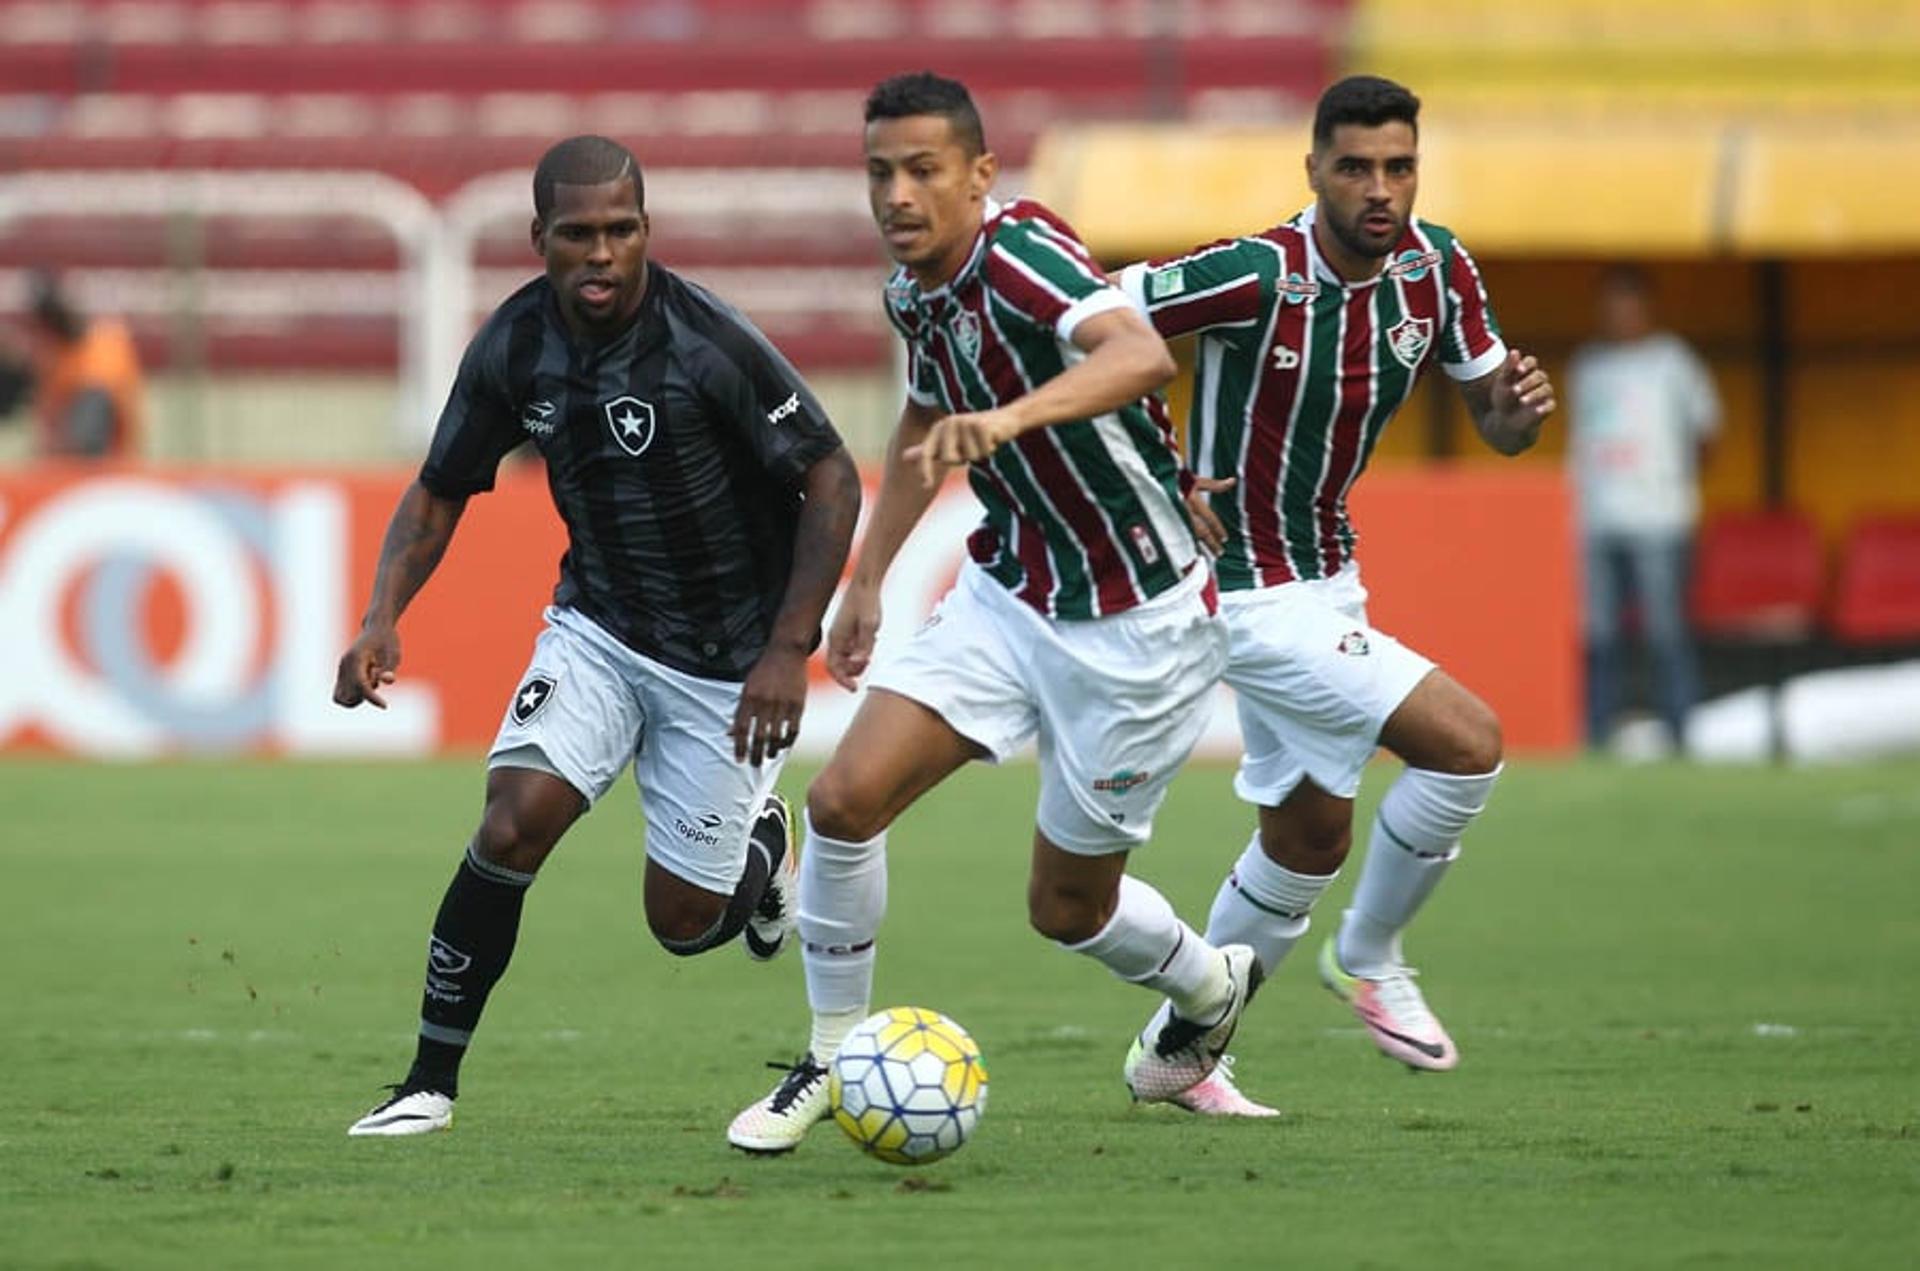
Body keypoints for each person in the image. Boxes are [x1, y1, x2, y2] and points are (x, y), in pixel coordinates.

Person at [724, 72, 1255, 1154]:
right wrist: (869, 574)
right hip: (1011, 589)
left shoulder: (1024, 257)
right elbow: (926, 407)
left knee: (1066, 906)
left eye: (923, 171)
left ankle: (1210, 986)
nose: (898, 196)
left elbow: (1141, 353)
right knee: (840, 799)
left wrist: (1008, 419)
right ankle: (828, 1054)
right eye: (881, 172)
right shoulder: (914, 286)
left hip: (1137, 627)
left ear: (980, 175)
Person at [333, 135, 861, 1137]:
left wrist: (791, 647)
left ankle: (763, 848)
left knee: (682, 923)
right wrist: (379, 617)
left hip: (729, 663)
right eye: (578, 234)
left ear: (647, 230)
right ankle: (428, 1081)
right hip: (601, 630)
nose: (602, 253)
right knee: (510, 821)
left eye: (621, 230)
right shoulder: (513, 345)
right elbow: (442, 489)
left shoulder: (707, 343)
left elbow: (831, 474)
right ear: (540, 238)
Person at [1113, 75, 1556, 1112]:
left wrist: (1518, 409)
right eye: (1355, 167)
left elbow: (1496, 416)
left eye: (1398, 166)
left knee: (1310, 834)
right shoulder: (1257, 270)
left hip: (1327, 578)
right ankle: (1369, 955)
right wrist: (1160, 465)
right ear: (1314, 170)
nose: (1380, 188)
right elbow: (1092, 317)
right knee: (1467, 740)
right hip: (1236, 589)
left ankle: (1183, 1052)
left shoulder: (1437, 268)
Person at [1567, 264, 1718, 752]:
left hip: (1660, 516)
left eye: (1628, 303)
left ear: (1646, 307)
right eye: (1610, 304)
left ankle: (1680, 732)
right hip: (1596, 517)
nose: (1619, 314)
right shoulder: (1587, 365)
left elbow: (1707, 433)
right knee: (1599, 633)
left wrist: (1672, 483)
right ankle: (1595, 732)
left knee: (1665, 631)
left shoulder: (1673, 362)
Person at [0, 271, 145, 459]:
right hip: (63, 474)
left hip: (98, 476)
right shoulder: (56, 356)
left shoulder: (102, 354)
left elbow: (86, 443)